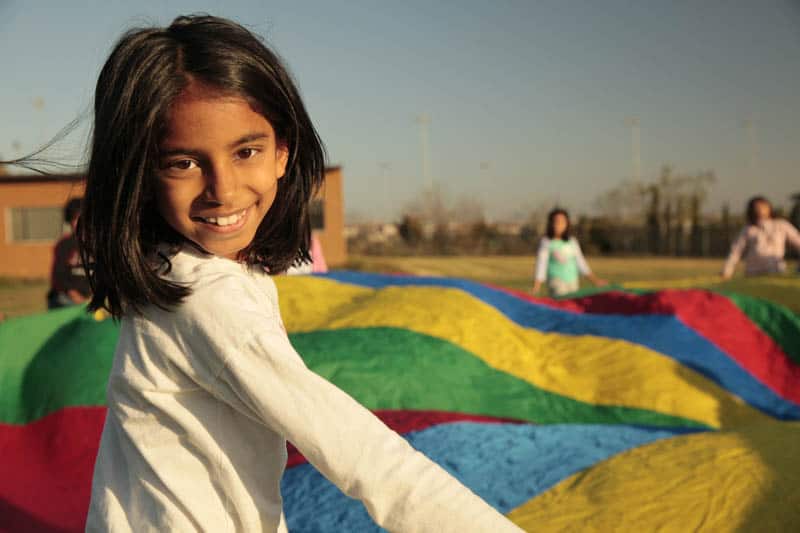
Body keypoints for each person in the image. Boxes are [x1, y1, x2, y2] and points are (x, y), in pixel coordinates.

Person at [73, 15, 521, 532]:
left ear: (282, 151)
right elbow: (367, 459)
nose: (223, 188)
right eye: (183, 163)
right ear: (141, 173)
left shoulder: (178, 269)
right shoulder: (207, 301)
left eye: (246, 152)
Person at [532, 208, 606, 296]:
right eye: (557, 222)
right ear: (551, 224)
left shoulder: (572, 242)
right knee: (562, 306)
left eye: (563, 222)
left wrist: (595, 280)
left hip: (573, 282)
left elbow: (581, 263)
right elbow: (541, 265)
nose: (560, 225)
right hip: (556, 281)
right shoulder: (546, 242)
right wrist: (536, 287)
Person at [722, 196, 800, 279]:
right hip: (753, 274)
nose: (760, 210)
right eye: (756, 207)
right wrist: (727, 270)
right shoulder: (748, 229)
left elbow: (798, 241)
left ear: (769, 207)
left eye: (763, 206)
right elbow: (736, 251)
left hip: (776, 272)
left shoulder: (781, 225)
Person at [46, 197, 91, 309]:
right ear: (70, 221)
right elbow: (59, 276)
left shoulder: (97, 246)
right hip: (67, 299)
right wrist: (75, 296)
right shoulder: (64, 245)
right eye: (75, 219)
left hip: (91, 300)